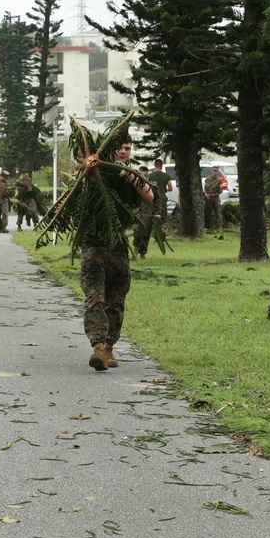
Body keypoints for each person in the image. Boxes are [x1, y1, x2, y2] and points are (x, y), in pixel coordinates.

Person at [79, 136, 154, 371]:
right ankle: (98, 347)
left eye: (128, 148)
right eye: (120, 148)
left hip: (117, 247)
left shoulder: (130, 175)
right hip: (92, 245)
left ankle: (110, 347)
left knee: (116, 299)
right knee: (94, 297)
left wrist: (128, 175)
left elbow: (149, 195)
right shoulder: (93, 172)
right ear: (111, 149)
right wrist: (91, 170)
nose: (124, 152)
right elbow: (80, 191)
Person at [132, 165, 159, 259]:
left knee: (146, 233)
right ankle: (136, 248)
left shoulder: (152, 186)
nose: (144, 178)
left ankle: (143, 253)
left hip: (149, 213)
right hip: (137, 212)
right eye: (142, 175)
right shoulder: (133, 184)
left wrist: (157, 212)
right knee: (137, 231)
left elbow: (157, 200)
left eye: (146, 176)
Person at [204, 166, 224, 233]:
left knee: (218, 212)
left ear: (217, 172)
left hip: (216, 198)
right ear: (211, 171)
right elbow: (205, 187)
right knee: (207, 212)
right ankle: (207, 226)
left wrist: (213, 195)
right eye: (213, 170)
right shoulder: (207, 179)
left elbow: (221, 190)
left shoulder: (219, 180)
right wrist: (206, 194)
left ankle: (219, 226)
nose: (214, 172)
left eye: (216, 171)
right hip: (208, 198)